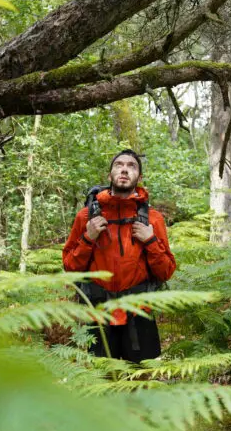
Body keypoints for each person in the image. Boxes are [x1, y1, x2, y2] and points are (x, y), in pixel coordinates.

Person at [62, 149, 176, 361]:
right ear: (110, 175)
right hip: (99, 312)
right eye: (119, 165)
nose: (124, 169)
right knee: (104, 384)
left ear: (139, 178)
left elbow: (166, 271)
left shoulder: (153, 219)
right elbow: (70, 267)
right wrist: (89, 237)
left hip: (139, 313)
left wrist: (150, 240)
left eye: (131, 166)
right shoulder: (86, 216)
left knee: (142, 383)